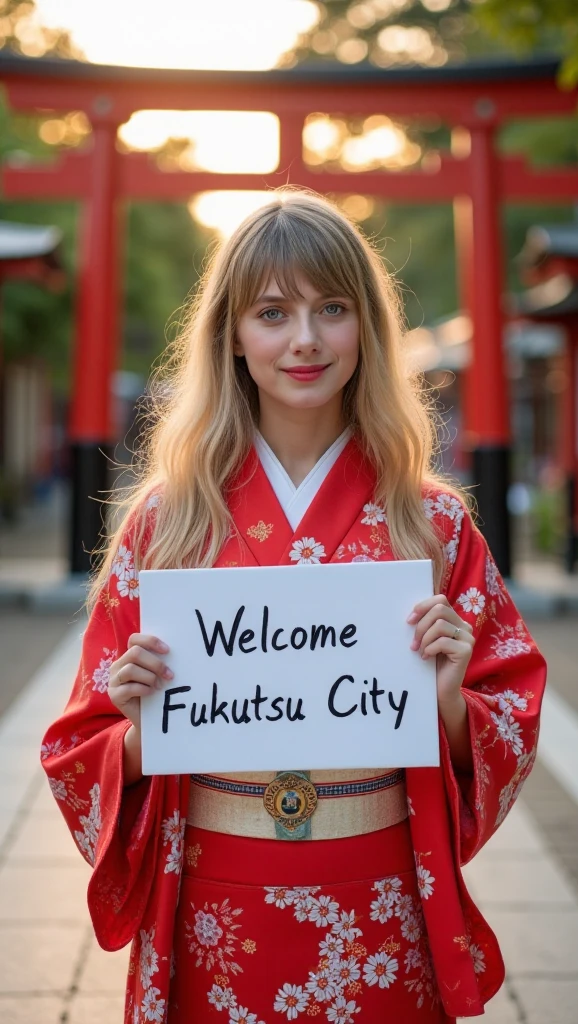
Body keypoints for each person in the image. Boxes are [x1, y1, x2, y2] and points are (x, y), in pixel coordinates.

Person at [41, 190, 546, 1024]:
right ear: (232, 336)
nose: (305, 339)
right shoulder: (168, 524)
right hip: (216, 900)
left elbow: (512, 713)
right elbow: (75, 750)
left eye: (333, 309)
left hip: (380, 895)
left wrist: (452, 699)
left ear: (367, 330)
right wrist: (133, 735)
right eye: (272, 312)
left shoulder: (434, 523)